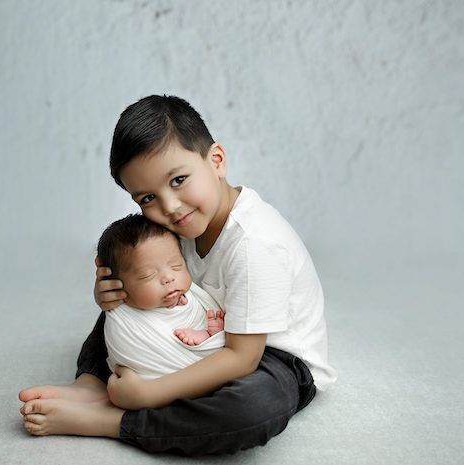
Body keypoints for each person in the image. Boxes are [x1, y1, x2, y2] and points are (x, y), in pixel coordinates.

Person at [18, 95, 337, 454]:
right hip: (202, 330)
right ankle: (94, 381)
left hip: (269, 357)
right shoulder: (183, 223)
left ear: (216, 160)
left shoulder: (255, 244)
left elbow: (242, 357)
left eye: (179, 180)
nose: (170, 207)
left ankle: (115, 420)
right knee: (134, 276)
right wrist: (109, 292)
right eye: (147, 199)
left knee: (253, 408)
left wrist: (148, 394)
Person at [97, 213, 227, 379]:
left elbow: (232, 349)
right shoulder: (124, 321)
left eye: (176, 265)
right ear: (117, 284)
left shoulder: (192, 296)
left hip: (208, 371)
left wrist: (212, 337)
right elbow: (139, 363)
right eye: (147, 275)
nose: (168, 278)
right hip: (160, 380)